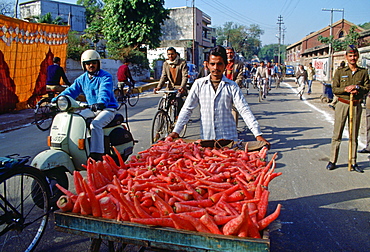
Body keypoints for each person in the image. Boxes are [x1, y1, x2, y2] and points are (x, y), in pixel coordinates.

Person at [168, 45, 270, 148]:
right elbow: (187, 109)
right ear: (207, 65)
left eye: (219, 64)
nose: (215, 68)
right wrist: (176, 131)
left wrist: (258, 134)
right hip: (207, 140)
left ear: (225, 65)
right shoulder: (199, 84)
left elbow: (244, 109)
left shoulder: (232, 86)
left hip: (229, 141)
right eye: (212, 64)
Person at [52, 49, 119, 161]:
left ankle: (97, 154)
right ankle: (82, 148)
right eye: (88, 63)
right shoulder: (81, 79)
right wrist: (55, 100)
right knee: (77, 120)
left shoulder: (105, 77)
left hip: (107, 108)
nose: (91, 65)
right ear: (84, 65)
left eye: (93, 62)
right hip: (91, 108)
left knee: (95, 125)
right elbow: (70, 91)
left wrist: (101, 102)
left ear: (98, 63)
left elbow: (105, 91)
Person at [326, 45, 370, 173]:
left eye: (355, 56)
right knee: (337, 133)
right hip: (343, 104)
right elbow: (335, 89)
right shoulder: (340, 72)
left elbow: (367, 88)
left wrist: (357, 87)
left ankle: (353, 161)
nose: (353, 58)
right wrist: (345, 89)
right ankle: (333, 160)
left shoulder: (363, 72)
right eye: (350, 56)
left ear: (358, 57)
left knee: (354, 134)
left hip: (355, 105)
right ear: (346, 57)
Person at [154, 47, 188, 114]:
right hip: (170, 88)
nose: (170, 56)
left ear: (175, 54)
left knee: (178, 101)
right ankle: (164, 117)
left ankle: (177, 117)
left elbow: (185, 76)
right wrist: (159, 87)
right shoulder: (166, 64)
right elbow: (163, 76)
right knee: (165, 102)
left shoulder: (182, 63)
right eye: (169, 54)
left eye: (172, 54)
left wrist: (182, 87)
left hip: (179, 88)